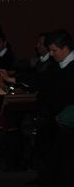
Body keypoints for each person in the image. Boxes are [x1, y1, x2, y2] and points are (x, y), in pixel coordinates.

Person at [38, 29, 74, 186]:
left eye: (54, 50)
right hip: (60, 124)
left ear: (65, 49)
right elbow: (42, 81)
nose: (51, 54)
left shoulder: (70, 68)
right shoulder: (58, 66)